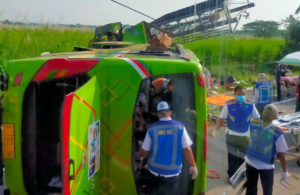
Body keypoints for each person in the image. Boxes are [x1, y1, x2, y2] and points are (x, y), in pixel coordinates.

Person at [140, 101, 198, 195]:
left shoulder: (152, 128)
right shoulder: (179, 127)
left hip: (154, 171)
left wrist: (140, 156)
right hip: (172, 172)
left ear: (158, 114)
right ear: (170, 112)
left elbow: (144, 152)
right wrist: (193, 165)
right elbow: (187, 149)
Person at [214, 86, 260, 178]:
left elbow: (257, 119)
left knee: (243, 157)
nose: (241, 96)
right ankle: (231, 175)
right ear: (234, 94)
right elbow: (221, 118)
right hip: (232, 136)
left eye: (243, 94)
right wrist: (216, 130)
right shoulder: (229, 105)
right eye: (239, 94)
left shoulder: (250, 105)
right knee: (232, 157)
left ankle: (241, 173)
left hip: (245, 137)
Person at [245, 104, 288, 195]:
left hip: (266, 167)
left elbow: (281, 154)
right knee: (250, 190)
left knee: (267, 191)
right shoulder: (253, 123)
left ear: (274, 117)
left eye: (269, 114)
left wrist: (284, 171)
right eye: (265, 113)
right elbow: (247, 139)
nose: (266, 115)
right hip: (250, 163)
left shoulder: (277, 133)